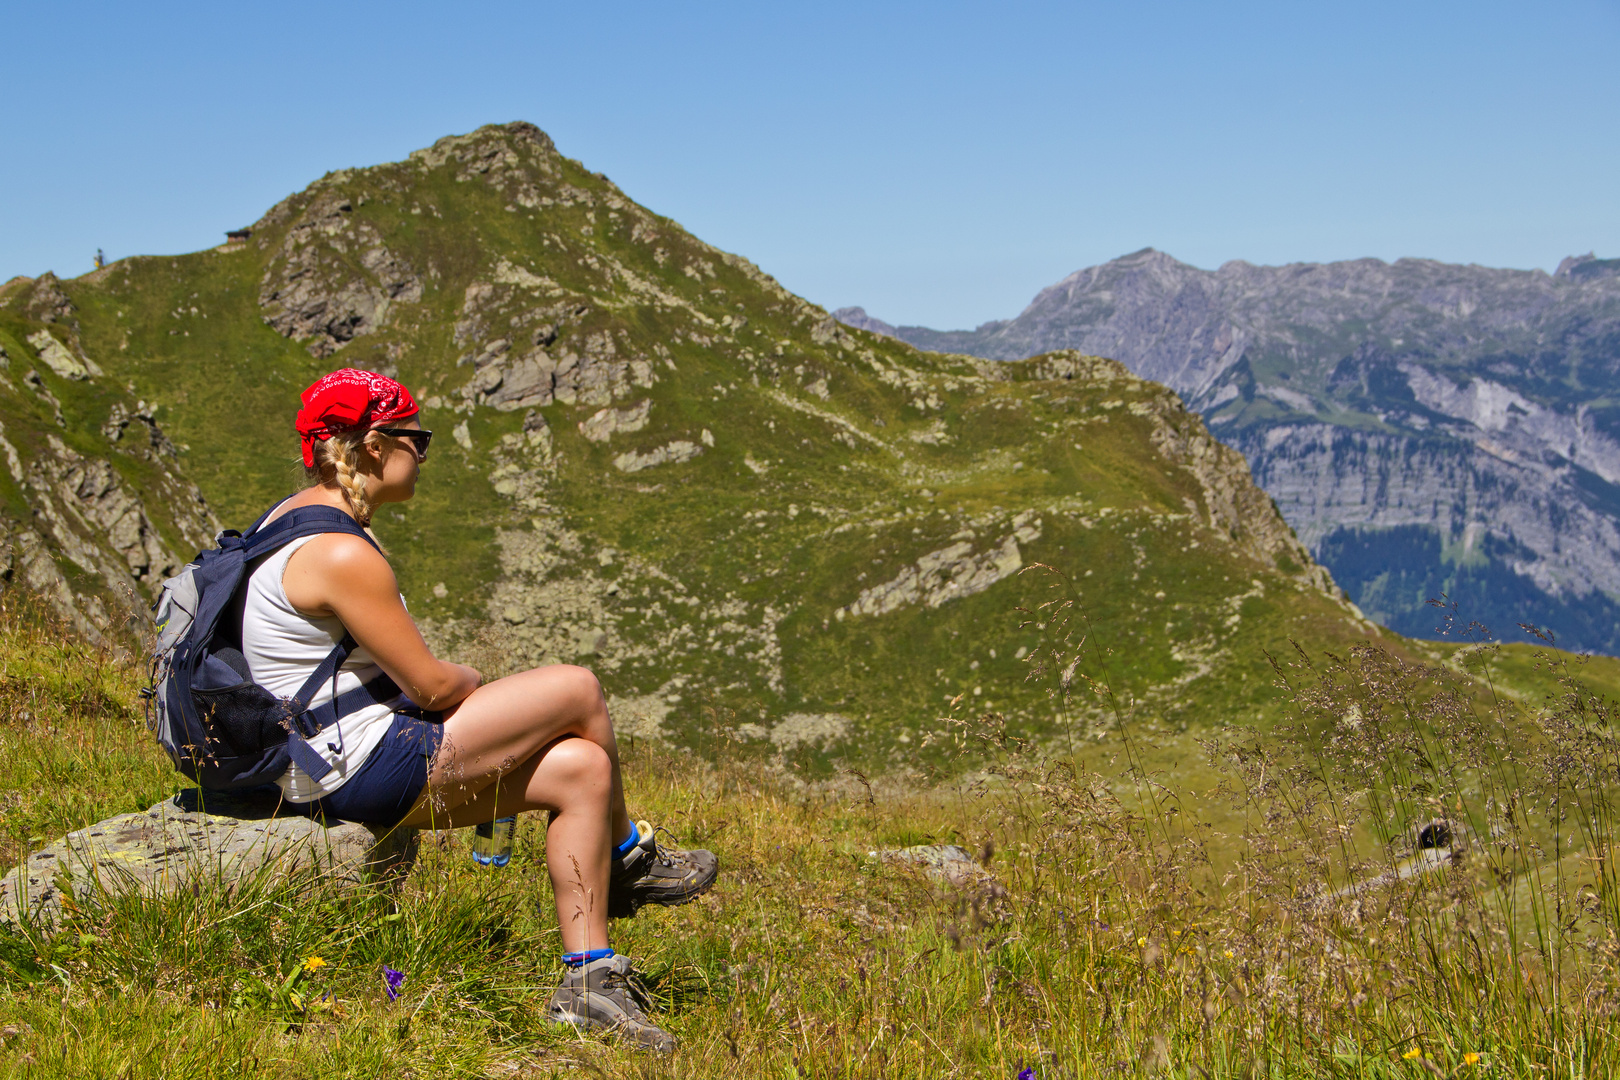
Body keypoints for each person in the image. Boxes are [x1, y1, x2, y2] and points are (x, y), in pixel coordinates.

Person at [241, 368, 715, 1052]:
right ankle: (630, 859)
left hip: (309, 754)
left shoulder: (289, 519)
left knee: (580, 767)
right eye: (418, 438)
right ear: (375, 445)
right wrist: (471, 674)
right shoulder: (341, 551)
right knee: (578, 688)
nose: (423, 455)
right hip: (350, 765)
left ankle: (590, 980)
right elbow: (433, 688)